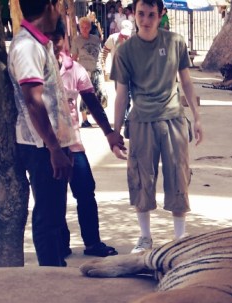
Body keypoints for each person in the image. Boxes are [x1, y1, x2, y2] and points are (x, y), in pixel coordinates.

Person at [110, 0, 203, 253]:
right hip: (141, 120)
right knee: (142, 177)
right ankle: (145, 237)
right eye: (141, 14)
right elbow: (121, 95)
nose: (146, 19)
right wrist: (115, 132)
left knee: (178, 175)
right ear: (134, 14)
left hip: (173, 117)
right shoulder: (125, 51)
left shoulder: (175, 42)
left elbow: (186, 82)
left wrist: (197, 117)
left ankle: (180, 238)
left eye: (152, 14)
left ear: (161, 14)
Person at [8, 0, 76, 266]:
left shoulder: (38, 43)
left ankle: (57, 266)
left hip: (51, 145)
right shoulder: (26, 47)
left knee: (55, 213)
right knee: (47, 215)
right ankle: (51, 274)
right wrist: (54, 148)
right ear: (50, 5)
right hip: (41, 147)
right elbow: (33, 101)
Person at [49, 19, 119, 257]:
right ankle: (61, 244)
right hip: (47, 147)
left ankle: (92, 242)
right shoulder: (40, 70)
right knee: (54, 199)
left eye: (57, 39)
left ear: (65, 40)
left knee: (86, 192)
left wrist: (108, 132)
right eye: (48, 40)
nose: (53, 45)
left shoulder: (75, 70)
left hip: (74, 145)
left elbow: (93, 103)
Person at [71, 16, 105, 128]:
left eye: (87, 27)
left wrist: (102, 65)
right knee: (85, 95)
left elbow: (99, 53)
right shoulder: (76, 41)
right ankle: (85, 120)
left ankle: (98, 115)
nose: (84, 29)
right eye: (82, 27)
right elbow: (74, 58)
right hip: (83, 71)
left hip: (97, 69)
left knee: (101, 93)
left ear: (90, 28)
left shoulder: (95, 39)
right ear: (79, 28)